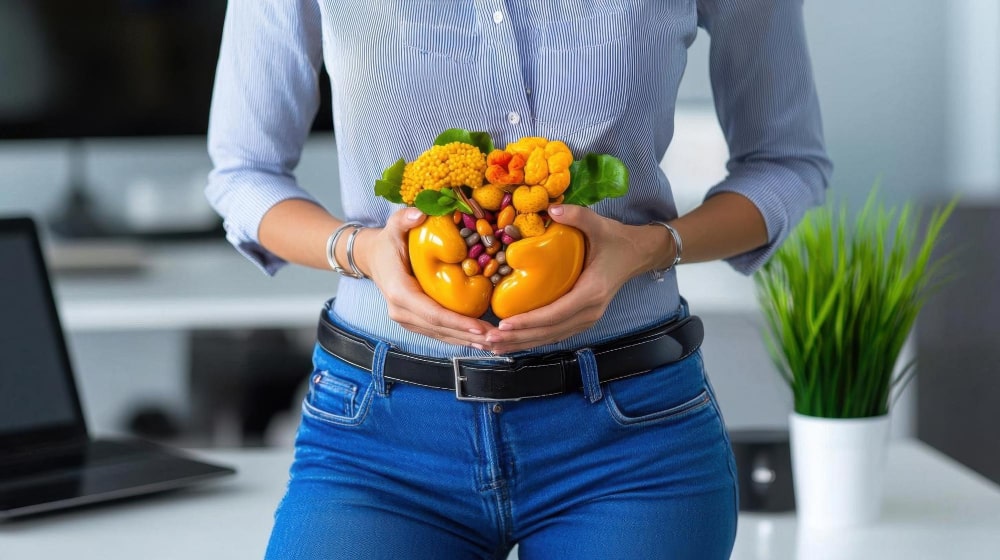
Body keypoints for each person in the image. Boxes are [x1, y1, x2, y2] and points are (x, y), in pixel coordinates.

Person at [206, 1, 831, 558]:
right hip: (382, 437)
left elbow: (785, 163)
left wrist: (648, 248)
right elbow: (244, 171)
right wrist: (362, 250)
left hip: (628, 438)